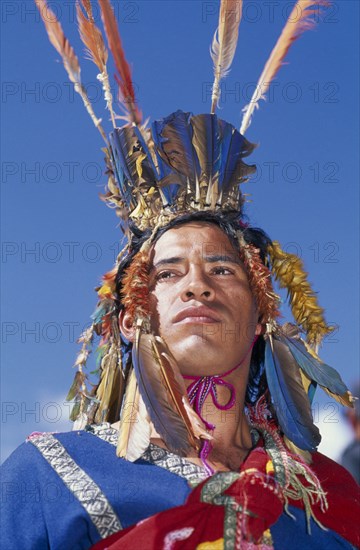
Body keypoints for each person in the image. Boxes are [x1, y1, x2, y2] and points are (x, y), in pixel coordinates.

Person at [1, 1, 359, 549]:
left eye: (222, 268)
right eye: (167, 274)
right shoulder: (48, 477)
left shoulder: (330, 495)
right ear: (129, 318)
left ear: (263, 314)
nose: (198, 284)